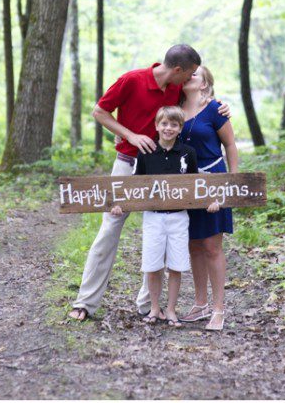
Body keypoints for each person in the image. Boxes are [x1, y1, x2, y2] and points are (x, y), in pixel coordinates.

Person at [67, 44, 230, 321]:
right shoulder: (132, 80)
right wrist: (129, 135)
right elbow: (99, 112)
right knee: (109, 229)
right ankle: (85, 302)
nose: (190, 79)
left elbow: (194, 107)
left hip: (162, 170)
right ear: (178, 70)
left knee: (157, 229)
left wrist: (221, 106)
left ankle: (148, 304)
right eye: (189, 74)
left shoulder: (176, 89)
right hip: (128, 164)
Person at [110, 106, 198, 327]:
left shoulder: (188, 153)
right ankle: (155, 308)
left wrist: (210, 202)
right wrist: (121, 204)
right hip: (153, 218)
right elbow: (135, 187)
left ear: (180, 128)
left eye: (174, 125)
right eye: (164, 124)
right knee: (153, 264)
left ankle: (171, 310)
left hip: (179, 218)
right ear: (157, 126)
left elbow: (196, 187)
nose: (168, 128)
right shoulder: (146, 152)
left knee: (176, 265)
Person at [176, 66, 238, 332]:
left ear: (204, 84)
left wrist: (233, 183)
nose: (189, 75)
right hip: (185, 185)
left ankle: (218, 309)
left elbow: (231, 145)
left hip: (214, 180)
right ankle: (200, 304)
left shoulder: (215, 109)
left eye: (195, 73)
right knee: (194, 246)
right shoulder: (174, 108)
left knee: (212, 247)